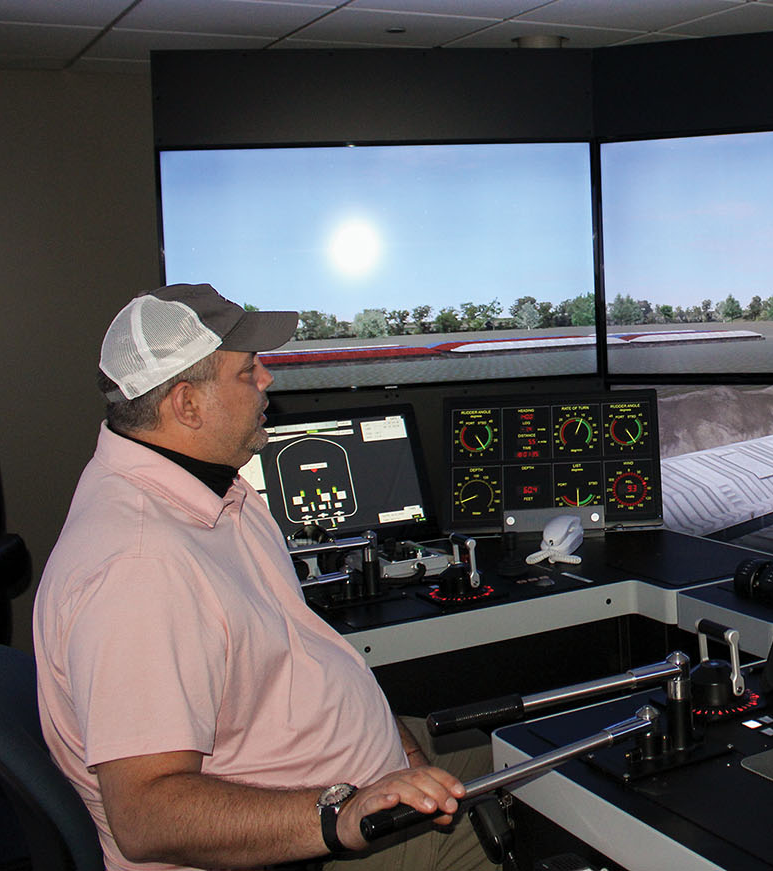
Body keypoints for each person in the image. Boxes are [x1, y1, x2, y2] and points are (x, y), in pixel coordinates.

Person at [33, 284, 489, 871]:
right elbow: (147, 814)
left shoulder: (214, 489)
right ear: (187, 405)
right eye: (248, 371)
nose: (267, 380)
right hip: (303, 845)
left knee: (530, 759)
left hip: (365, 775)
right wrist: (342, 814)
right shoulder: (140, 570)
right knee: (548, 814)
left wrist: (397, 750)